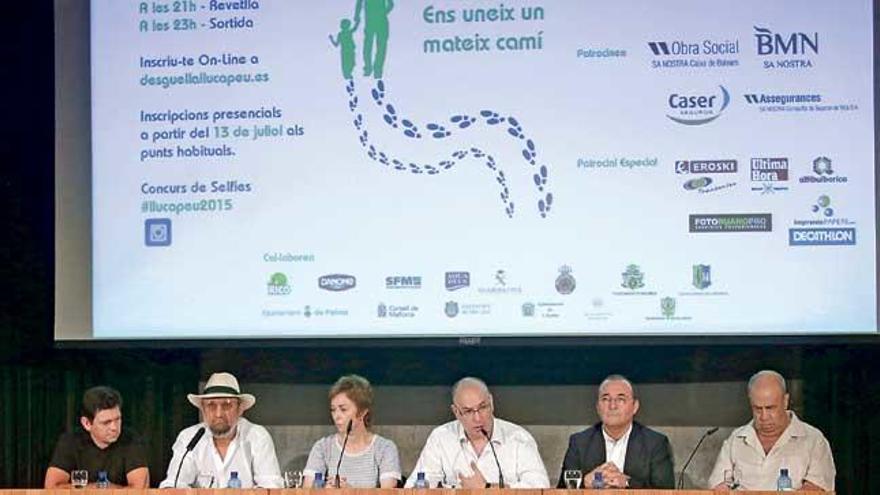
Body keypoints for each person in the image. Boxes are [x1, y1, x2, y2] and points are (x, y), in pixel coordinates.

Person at [406, 376, 550, 488]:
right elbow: (415, 486)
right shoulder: (441, 438)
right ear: (456, 412)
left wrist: (487, 489)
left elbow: (539, 487)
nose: (478, 418)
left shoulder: (518, 438)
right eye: (468, 411)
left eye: (482, 408)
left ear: (491, 403)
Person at [708, 370, 835, 491]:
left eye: (770, 408)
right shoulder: (736, 440)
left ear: (785, 401)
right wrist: (722, 488)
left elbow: (817, 489)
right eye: (757, 409)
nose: (764, 417)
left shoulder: (813, 440)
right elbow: (718, 485)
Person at [159, 372, 282, 488]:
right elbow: (173, 484)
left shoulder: (257, 436)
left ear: (240, 409)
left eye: (227, 405)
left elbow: (271, 486)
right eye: (211, 405)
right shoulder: (189, 438)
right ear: (203, 409)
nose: (219, 414)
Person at [558, 374, 674, 489]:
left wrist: (627, 483)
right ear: (598, 407)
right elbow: (560, 491)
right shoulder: (579, 443)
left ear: (635, 406)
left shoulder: (655, 443)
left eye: (621, 399)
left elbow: (666, 490)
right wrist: (584, 483)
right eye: (605, 399)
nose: (612, 406)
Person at [303, 375, 401, 487]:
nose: (336, 416)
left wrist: (350, 491)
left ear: (363, 412)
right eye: (333, 410)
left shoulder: (385, 448)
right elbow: (307, 490)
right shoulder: (323, 447)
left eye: (343, 409)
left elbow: (387, 492)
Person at [45, 386, 149, 488]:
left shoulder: (131, 439)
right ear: (86, 423)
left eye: (117, 419)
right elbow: (52, 487)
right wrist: (96, 490)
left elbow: (140, 489)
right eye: (106, 422)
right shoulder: (70, 441)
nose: (114, 427)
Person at [353, 0, 393, 78]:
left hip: (379, 22)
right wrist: (357, 15)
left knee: (379, 46)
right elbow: (359, 3)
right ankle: (369, 68)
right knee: (370, 46)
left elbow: (391, 4)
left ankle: (376, 69)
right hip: (372, 21)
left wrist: (383, 13)